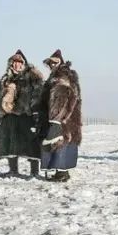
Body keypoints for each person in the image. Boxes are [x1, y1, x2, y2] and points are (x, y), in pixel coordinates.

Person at [0, 50, 44, 177]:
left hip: (27, 115)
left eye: (20, 63)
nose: (17, 65)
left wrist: (36, 112)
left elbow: (38, 94)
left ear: (24, 64)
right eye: (15, 62)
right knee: (9, 142)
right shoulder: (5, 78)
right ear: (11, 64)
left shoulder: (33, 76)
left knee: (32, 143)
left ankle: (34, 172)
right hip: (9, 116)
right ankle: (13, 170)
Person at [36, 50, 82, 182]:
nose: (52, 65)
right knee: (60, 143)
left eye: (54, 62)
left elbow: (60, 100)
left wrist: (55, 119)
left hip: (61, 118)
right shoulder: (59, 76)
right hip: (65, 118)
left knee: (59, 142)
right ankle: (61, 172)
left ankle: (61, 173)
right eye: (50, 63)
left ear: (61, 62)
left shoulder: (61, 77)